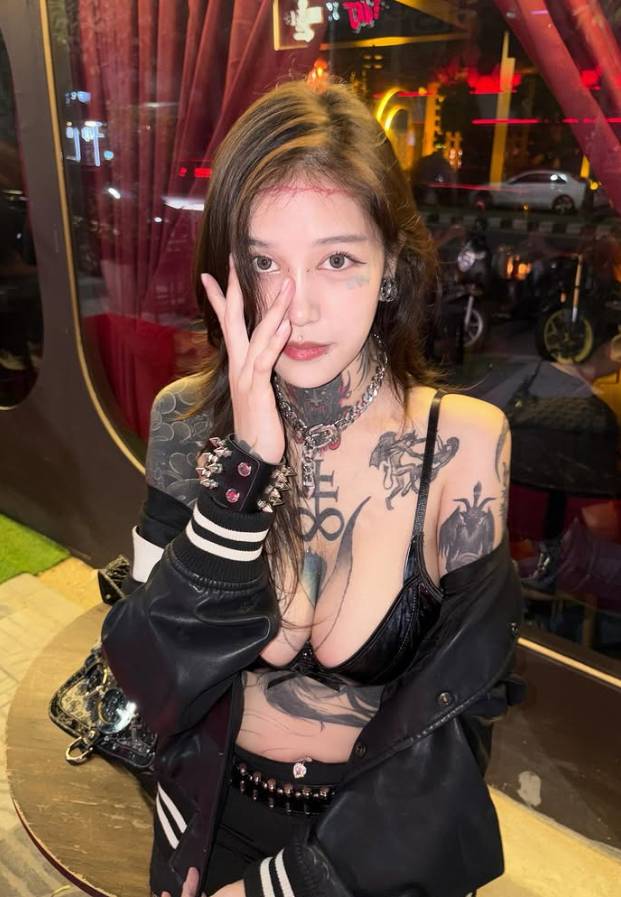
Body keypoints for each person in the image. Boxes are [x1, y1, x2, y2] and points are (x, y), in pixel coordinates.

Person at [101, 79, 525, 897]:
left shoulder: (462, 445)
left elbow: (455, 732)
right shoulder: (187, 421)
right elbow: (149, 677)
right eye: (264, 262)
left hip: (372, 853)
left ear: (389, 265)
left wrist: (291, 884)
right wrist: (245, 472)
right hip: (208, 818)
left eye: (336, 259)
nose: (294, 308)